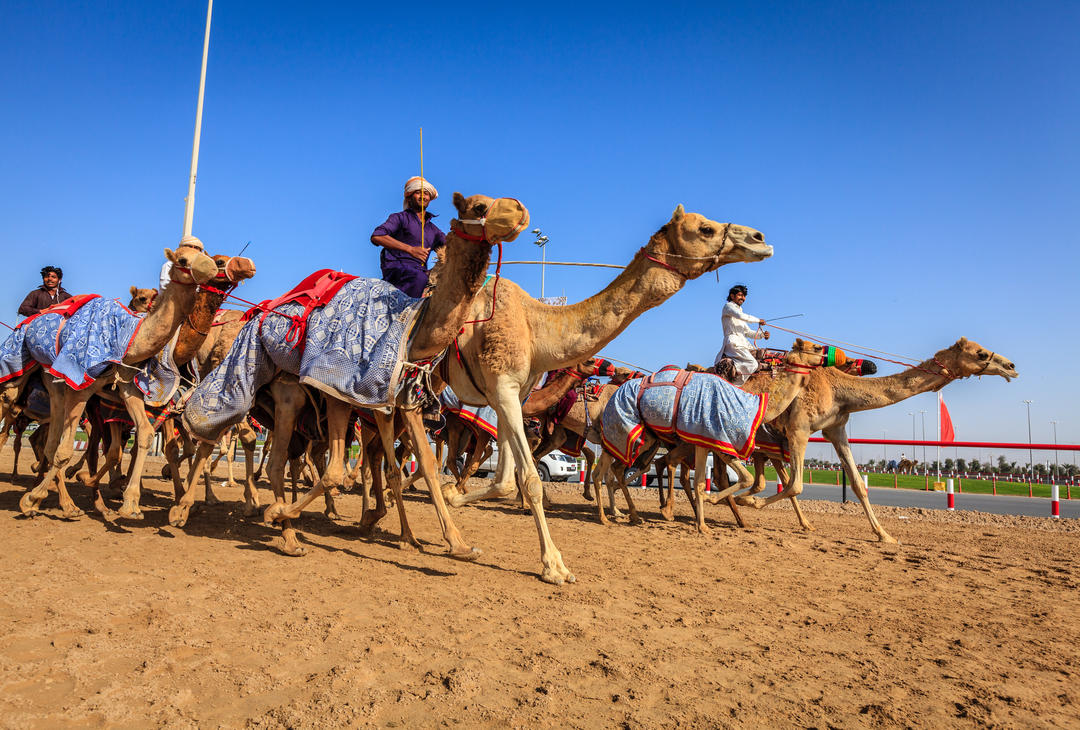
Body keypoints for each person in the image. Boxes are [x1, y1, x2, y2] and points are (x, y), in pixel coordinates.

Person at [370, 176, 446, 298]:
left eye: (426, 193)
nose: (423, 196)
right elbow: (377, 236)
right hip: (396, 270)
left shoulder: (434, 230)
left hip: (421, 273)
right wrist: (410, 250)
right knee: (419, 277)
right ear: (409, 197)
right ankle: (403, 313)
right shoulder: (399, 218)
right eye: (418, 192)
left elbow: (451, 246)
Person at [714, 284, 769, 386]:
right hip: (734, 343)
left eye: (744, 296)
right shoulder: (728, 307)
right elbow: (741, 316)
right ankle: (734, 387)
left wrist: (762, 335)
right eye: (740, 295)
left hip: (743, 343)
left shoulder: (740, 312)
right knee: (752, 364)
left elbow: (748, 332)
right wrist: (758, 320)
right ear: (732, 296)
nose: (743, 298)